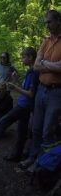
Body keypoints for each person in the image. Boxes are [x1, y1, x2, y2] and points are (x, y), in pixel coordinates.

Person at [23, 10, 61, 169]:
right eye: (45, 23)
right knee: (36, 127)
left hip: (56, 92)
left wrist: (44, 63)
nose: (47, 26)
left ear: (58, 20)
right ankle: (33, 159)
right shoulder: (45, 42)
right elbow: (36, 66)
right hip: (41, 90)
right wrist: (53, 66)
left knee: (48, 130)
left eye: (49, 22)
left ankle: (43, 164)